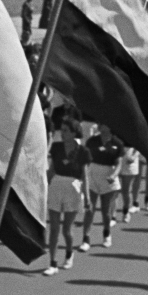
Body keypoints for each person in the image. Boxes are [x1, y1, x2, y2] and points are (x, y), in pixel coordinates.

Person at [42, 118, 91, 276]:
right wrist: (42, 187)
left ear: (73, 133)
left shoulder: (83, 151)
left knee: (66, 230)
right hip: (56, 186)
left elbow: (85, 176)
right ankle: (53, 262)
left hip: (73, 188)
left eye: (65, 131)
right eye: (61, 130)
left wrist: (87, 197)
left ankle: (69, 253)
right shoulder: (56, 148)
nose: (62, 134)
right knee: (54, 228)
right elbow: (51, 171)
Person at [82, 124, 124, 249]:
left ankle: (106, 234)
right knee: (90, 209)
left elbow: (119, 164)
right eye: (100, 124)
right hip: (93, 175)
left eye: (104, 123)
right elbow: (85, 159)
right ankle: (86, 238)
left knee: (106, 212)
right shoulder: (92, 141)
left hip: (108, 178)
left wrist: (114, 175)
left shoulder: (118, 143)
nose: (100, 125)